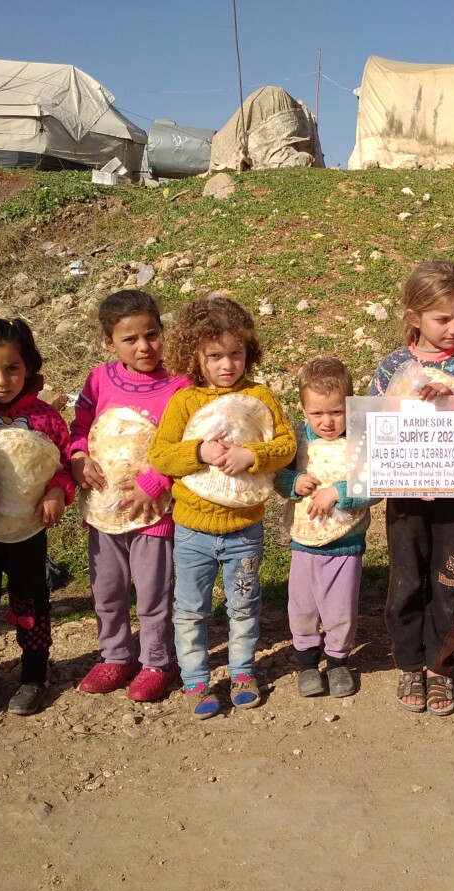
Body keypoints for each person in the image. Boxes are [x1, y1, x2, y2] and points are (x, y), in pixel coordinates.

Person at [148, 294, 296, 718]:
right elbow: (162, 455)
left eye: (236, 353)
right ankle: (196, 678)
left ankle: (243, 671)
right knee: (191, 609)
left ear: (249, 351)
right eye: (214, 356)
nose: (227, 365)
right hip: (192, 531)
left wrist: (253, 455)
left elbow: (284, 445)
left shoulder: (261, 397)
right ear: (195, 356)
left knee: (244, 603)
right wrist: (200, 451)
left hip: (244, 529)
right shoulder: (184, 402)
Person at [369, 261, 454, 715]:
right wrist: (400, 471)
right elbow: (375, 427)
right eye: (442, 318)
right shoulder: (393, 367)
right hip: (405, 498)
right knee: (406, 579)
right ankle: (408, 662)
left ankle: (440, 667)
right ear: (413, 317)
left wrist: (453, 400)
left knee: (450, 579)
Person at [69, 290, 191, 702]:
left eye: (152, 335)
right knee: (108, 589)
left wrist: (155, 483)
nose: (144, 347)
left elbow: (186, 444)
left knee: (153, 592)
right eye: (130, 339)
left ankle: (157, 661)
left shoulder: (181, 383)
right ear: (110, 343)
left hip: (155, 513)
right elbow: (80, 428)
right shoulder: (99, 379)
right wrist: (77, 457)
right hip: (104, 509)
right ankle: (115, 655)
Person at [0, 318, 74, 717]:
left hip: (28, 531)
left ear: (28, 365)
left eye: (12, 368)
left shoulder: (45, 417)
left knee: (31, 602)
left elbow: (63, 462)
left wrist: (58, 491)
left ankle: (34, 676)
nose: (2, 380)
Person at [275, 358, 379, 699]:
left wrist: (339, 492)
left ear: (349, 407)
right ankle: (306, 663)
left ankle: (337, 661)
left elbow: (376, 486)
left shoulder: (361, 442)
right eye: (317, 414)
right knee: (302, 608)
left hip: (344, 546)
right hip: (304, 544)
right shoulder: (297, 442)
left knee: (340, 610)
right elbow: (278, 479)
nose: (328, 422)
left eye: (336, 412)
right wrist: (294, 482)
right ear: (303, 410)